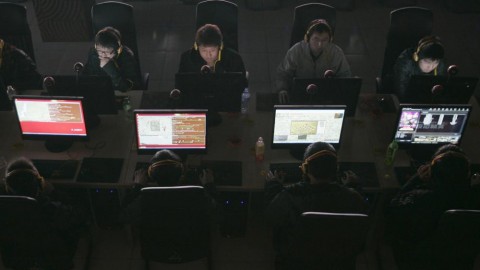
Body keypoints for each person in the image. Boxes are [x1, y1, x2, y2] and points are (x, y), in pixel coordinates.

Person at [265, 142, 367, 269]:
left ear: (305, 169)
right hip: (337, 261)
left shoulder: (291, 196)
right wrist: (353, 187)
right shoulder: (354, 198)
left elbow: (271, 215)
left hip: (297, 260)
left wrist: (274, 186)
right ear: (336, 169)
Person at [385, 144, 472, 269]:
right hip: (458, 258)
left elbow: (393, 206)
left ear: (431, 172)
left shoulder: (421, 198)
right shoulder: (473, 197)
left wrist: (415, 179)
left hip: (419, 256)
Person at [0, 157, 87, 270]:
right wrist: (54, 193)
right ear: (40, 183)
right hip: (52, 256)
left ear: (7, 186)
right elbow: (76, 218)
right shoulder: (48, 208)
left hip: (16, 255)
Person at [120, 149, 217, 225]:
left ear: (151, 176)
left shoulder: (144, 202)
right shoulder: (195, 198)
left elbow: (123, 215)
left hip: (157, 249)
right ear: (182, 174)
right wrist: (209, 186)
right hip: (192, 248)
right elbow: (218, 214)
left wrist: (137, 187)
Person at [276, 19, 352, 104]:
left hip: (325, 94)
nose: (320, 44)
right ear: (307, 38)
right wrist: (282, 89)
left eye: (324, 40)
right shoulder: (296, 51)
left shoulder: (336, 53)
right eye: (316, 39)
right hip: (300, 93)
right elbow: (283, 73)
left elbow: (345, 75)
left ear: (330, 40)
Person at [82, 26, 142, 92]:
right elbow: (87, 74)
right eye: (99, 50)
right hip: (100, 91)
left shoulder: (127, 56)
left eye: (107, 52)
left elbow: (127, 88)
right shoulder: (94, 52)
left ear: (118, 50)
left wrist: (110, 68)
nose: (103, 55)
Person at [393, 35, 447, 101]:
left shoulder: (440, 64)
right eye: (427, 62)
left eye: (435, 63)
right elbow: (401, 91)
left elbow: (440, 91)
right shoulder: (405, 63)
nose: (431, 66)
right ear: (416, 57)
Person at [178, 24, 246, 75]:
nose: (208, 55)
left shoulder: (235, 59)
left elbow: (242, 86)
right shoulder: (186, 59)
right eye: (204, 50)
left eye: (212, 50)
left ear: (220, 47)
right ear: (196, 47)